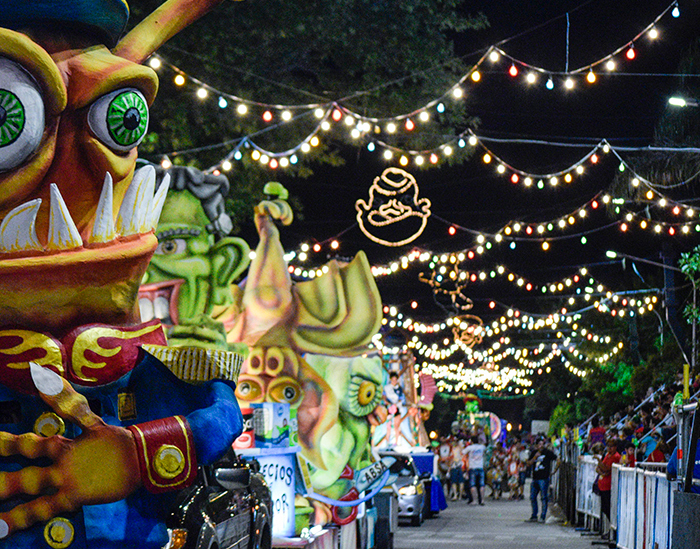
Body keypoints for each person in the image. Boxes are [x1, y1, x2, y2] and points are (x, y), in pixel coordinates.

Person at [526, 437, 560, 522]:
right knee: (533, 497)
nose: (541, 446)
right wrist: (534, 458)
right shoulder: (534, 453)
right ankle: (534, 515)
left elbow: (558, 459)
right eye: (539, 444)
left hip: (544, 478)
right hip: (535, 478)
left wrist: (554, 470)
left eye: (542, 444)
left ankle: (542, 516)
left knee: (544, 498)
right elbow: (528, 464)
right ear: (536, 445)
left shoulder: (547, 453)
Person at [596, 438, 621, 535]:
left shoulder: (615, 456)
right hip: (603, 485)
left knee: (608, 508)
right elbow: (599, 469)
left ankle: (614, 530)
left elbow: (606, 468)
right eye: (608, 446)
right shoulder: (607, 455)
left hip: (609, 486)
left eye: (611, 446)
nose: (609, 448)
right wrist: (601, 468)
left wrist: (599, 462)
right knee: (604, 508)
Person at [465, 435, 487, 505]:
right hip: (480, 467)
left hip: (473, 467)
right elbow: (485, 446)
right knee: (481, 485)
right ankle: (482, 500)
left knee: (472, 485)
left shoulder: (470, 448)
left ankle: (475, 500)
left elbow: (463, 452)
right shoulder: (482, 447)